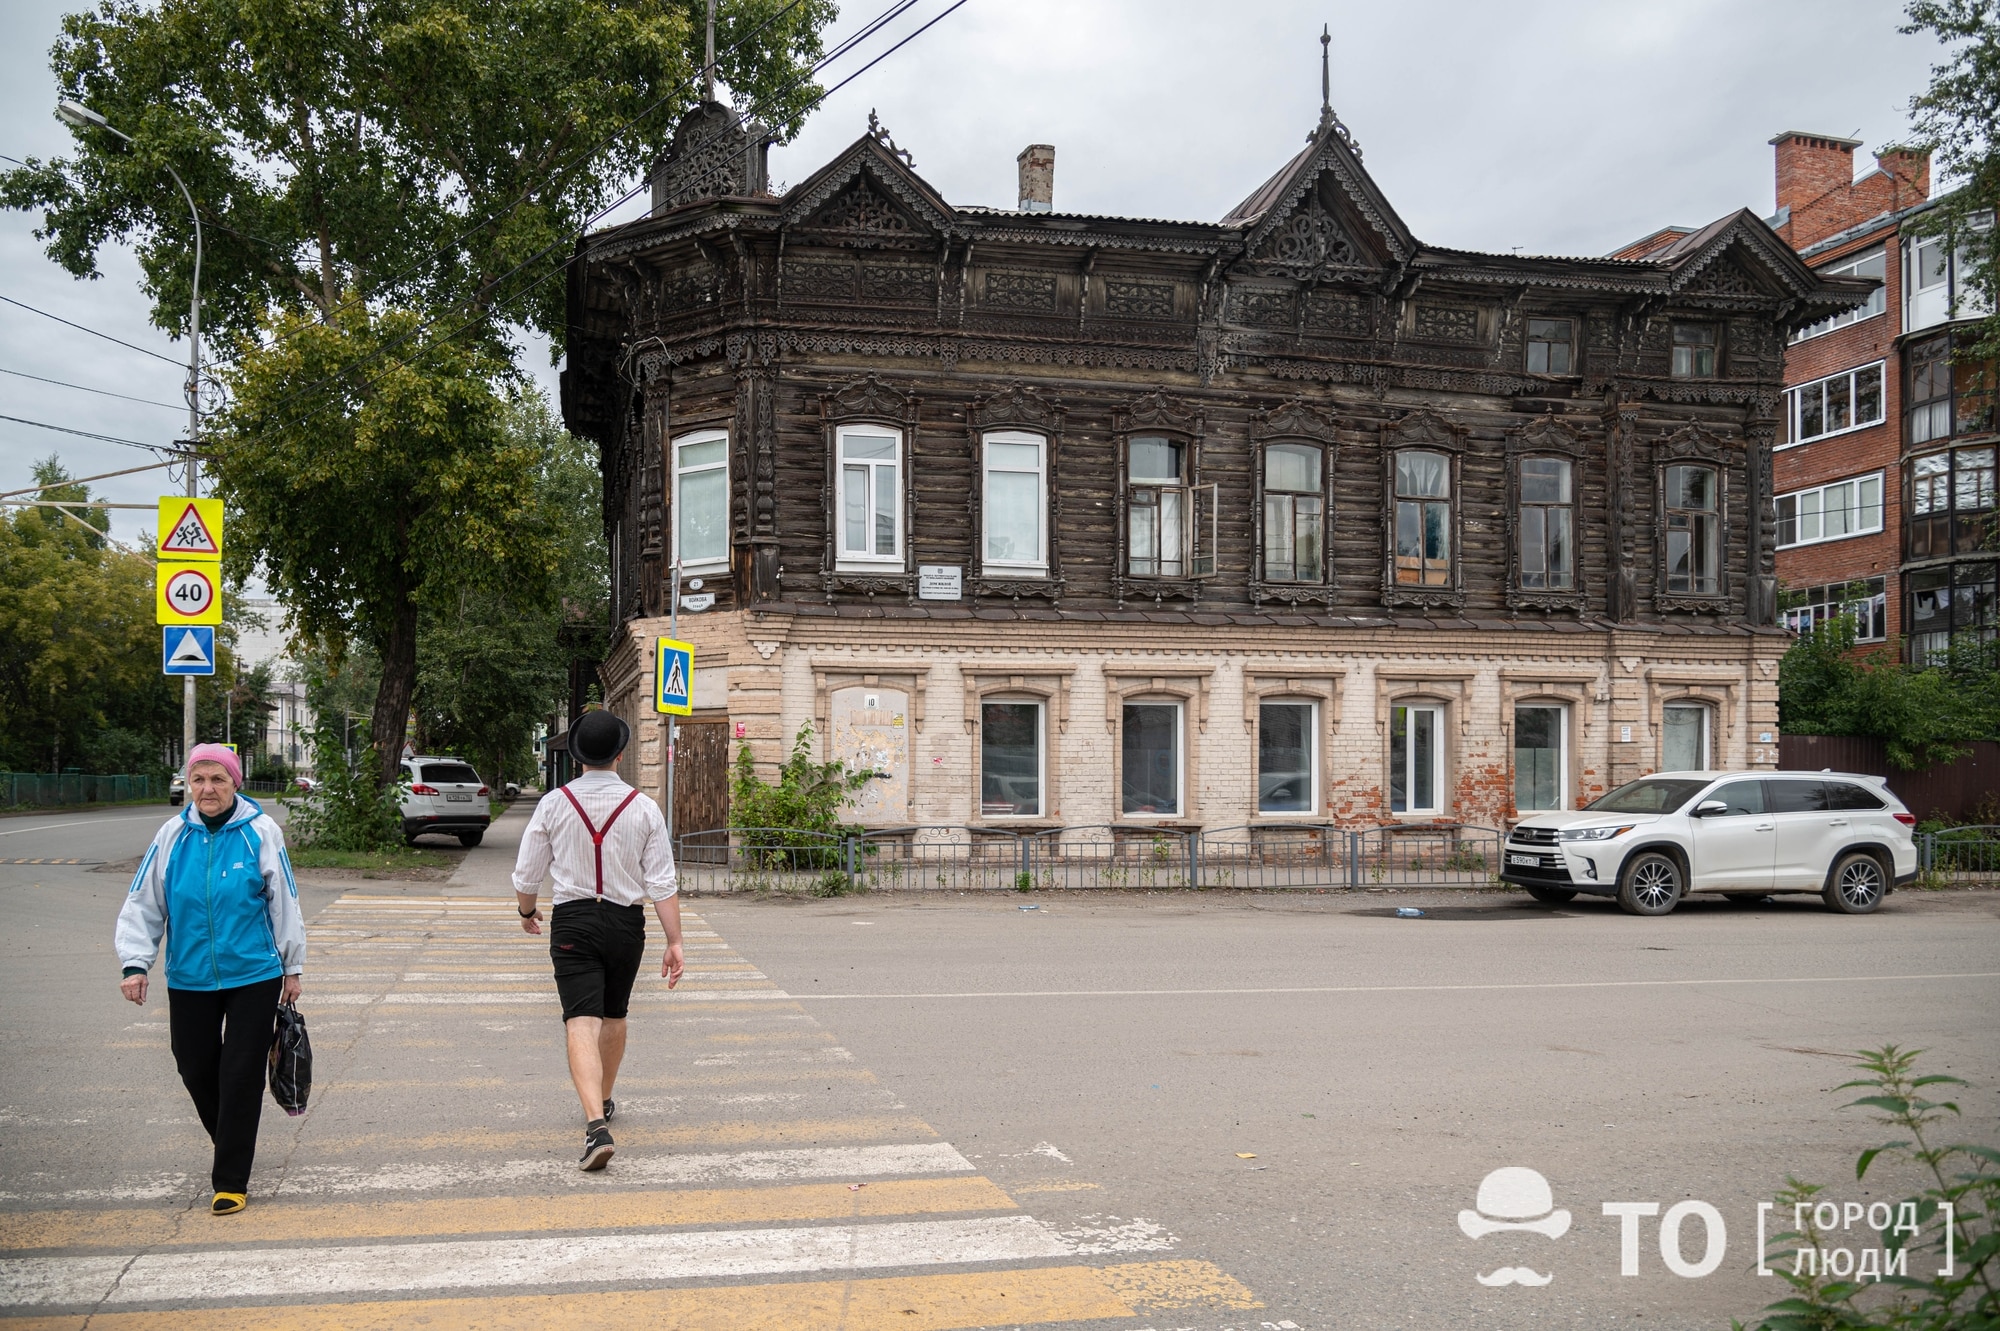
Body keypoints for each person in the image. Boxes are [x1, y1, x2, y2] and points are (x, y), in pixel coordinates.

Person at [115, 743, 305, 1215]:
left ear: (235, 782)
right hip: (190, 976)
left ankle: (230, 1179)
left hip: (254, 974)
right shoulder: (172, 836)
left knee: (239, 1075)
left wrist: (292, 966)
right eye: (198, 779)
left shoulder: (260, 832)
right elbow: (144, 901)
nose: (207, 789)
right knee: (195, 1066)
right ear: (188, 785)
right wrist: (136, 963)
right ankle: (233, 1140)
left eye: (217, 779)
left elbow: (284, 900)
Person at [513, 710, 683, 1170]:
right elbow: (662, 883)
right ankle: (603, 1099)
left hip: (573, 921)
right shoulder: (645, 807)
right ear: (620, 755)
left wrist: (528, 912)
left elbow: (527, 875)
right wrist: (676, 942)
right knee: (614, 1014)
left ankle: (595, 1125)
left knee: (579, 1022)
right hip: (627, 923)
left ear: (576, 757)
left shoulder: (554, 804)